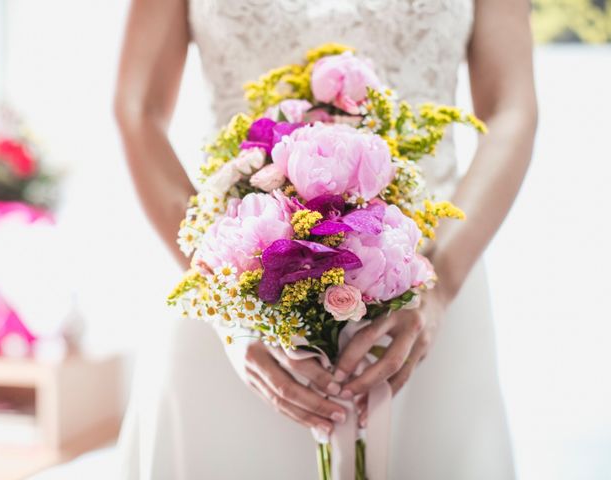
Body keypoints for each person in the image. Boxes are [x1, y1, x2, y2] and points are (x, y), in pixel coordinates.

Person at [114, 0, 537, 478]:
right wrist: (226, 303)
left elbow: (510, 108)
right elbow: (139, 108)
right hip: (234, 275)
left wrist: (438, 288)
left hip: (429, 277)